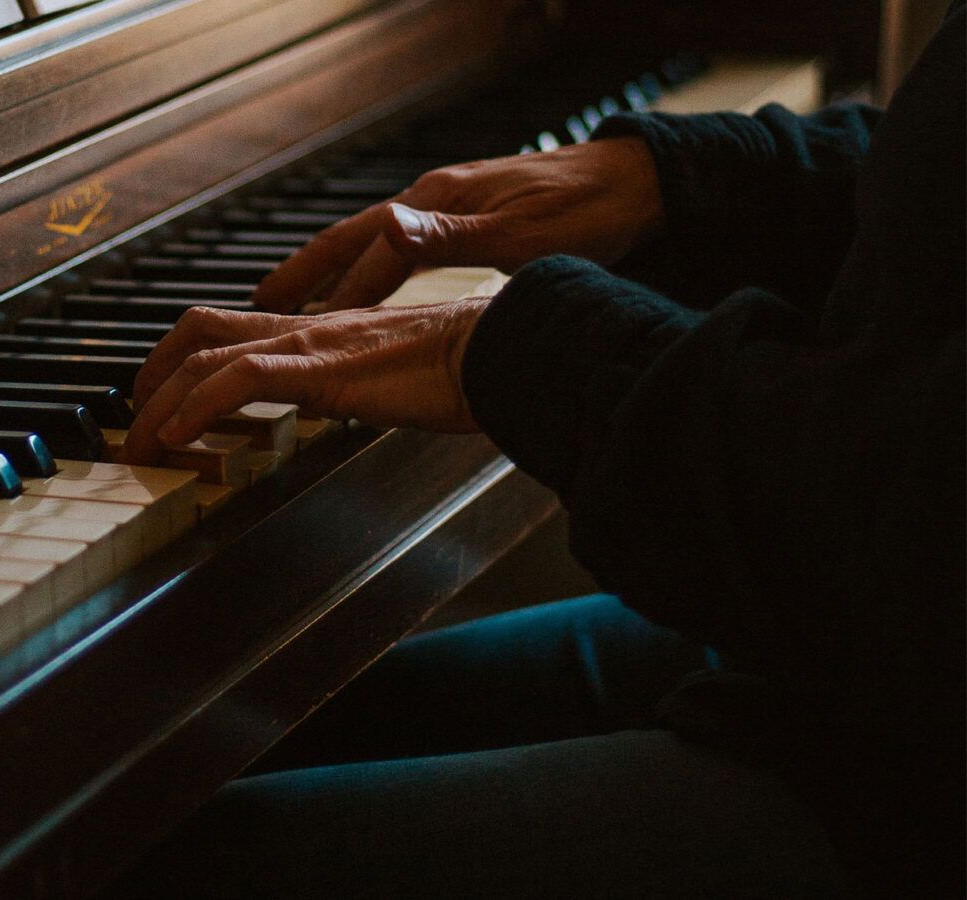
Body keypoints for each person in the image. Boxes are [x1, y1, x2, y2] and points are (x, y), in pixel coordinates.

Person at [112, 6, 964, 897]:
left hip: (906, 792)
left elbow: (914, 503)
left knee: (156, 861)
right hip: (860, 661)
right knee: (234, 731)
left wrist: (512, 350)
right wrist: (675, 177)